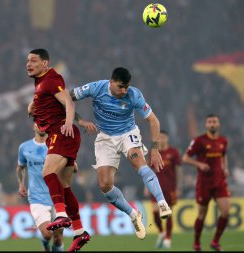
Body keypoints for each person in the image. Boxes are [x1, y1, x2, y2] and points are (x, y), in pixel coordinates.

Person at [69, 67, 172, 240]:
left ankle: (162, 203)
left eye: (126, 87)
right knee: (105, 186)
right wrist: (80, 121)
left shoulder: (134, 95)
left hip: (127, 133)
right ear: (111, 82)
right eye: (120, 87)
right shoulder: (96, 88)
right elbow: (66, 98)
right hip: (105, 138)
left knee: (139, 162)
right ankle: (133, 215)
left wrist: (154, 149)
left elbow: (153, 120)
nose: (124, 91)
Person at [26, 48, 93, 251]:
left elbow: (69, 104)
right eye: (27, 61)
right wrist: (32, 106)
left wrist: (68, 123)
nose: (29, 64)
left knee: (48, 172)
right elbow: (44, 102)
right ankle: (80, 232)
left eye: (34, 61)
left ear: (45, 63)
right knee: (64, 185)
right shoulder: (40, 84)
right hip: (60, 136)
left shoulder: (51, 78)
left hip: (61, 133)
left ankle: (62, 216)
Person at [182, 114, 230, 252]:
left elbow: (224, 155)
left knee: (225, 212)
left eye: (214, 121)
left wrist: (225, 168)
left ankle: (215, 241)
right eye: (209, 122)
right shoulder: (199, 141)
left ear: (219, 124)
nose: (212, 124)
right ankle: (196, 242)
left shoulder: (223, 140)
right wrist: (199, 164)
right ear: (206, 125)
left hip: (219, 181)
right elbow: (185, 158)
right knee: (202, 214)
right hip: (204, 183)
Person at [16, 123, 64, 251]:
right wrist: (21, 184)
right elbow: (20, 168)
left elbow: (70, 164)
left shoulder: (56, 145)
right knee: (48, 234)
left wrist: (72, 165)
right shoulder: (24, 147)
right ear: (34, 126)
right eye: (39, 124)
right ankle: (45, 245)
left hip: (57, 197)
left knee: (58, 239)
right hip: (37, 198)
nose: (41, 126)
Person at [144, 130, 182, 249]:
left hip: (170, 188)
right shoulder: (153, 153)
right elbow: (149, 172)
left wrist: (179, 187)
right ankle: (161, 232)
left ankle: (168, 238)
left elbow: (179, 170)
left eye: (164, 137)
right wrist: (146, 186)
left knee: (168, 213)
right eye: (159, 137)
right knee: (155, 213)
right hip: (156, 187)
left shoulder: (174, 152)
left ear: (168, 139)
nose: (161, 139)